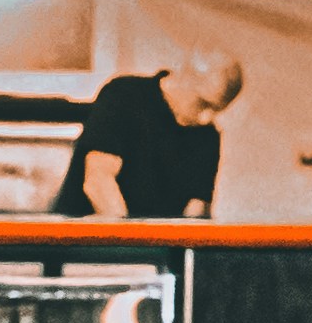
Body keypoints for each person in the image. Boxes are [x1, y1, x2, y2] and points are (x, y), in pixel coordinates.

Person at [59, 46, 241, 221]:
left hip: (152, 240)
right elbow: (98, 183)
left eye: (218, 109)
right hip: (82, 238)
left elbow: (195, 211)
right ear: (186, 79)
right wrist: (132, 238)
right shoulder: (124, 95)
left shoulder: (208, 136)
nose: (206, 118)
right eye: (203, 103)